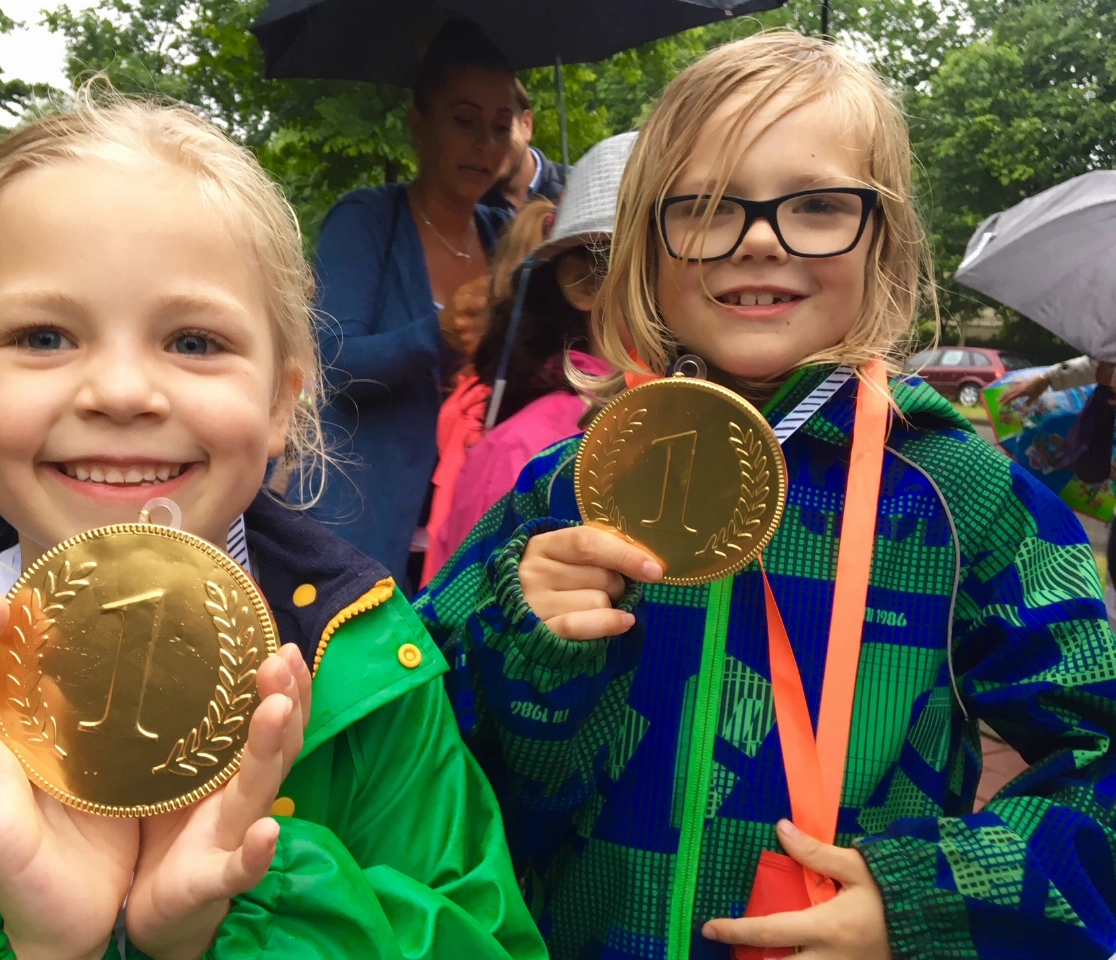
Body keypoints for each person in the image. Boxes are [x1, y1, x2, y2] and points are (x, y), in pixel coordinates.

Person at [416, 31, 1116, 960]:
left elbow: (1099, 757)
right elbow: (417, 747)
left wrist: (934, 902)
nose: (756, 236)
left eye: (820, 205)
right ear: (645, 249)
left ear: (886, 240)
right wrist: (522, 640)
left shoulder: (966, 497)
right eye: (706, 207)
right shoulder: (567, 488)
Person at [0, 89, 547, 960]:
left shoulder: (366, 660)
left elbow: (480, 934)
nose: (124, 393)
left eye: (196, 342)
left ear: (283, 400)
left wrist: (234, 923)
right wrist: (29, 939)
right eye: (46, 336)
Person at [302, 19, 518, 589]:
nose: (484, 146)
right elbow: (333, 363)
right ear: (419, 126)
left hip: (474, 525)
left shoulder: (507, 236)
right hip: (362, 522)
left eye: (501, 127)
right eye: (465, 121)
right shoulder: (367, 219)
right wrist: (437, 332)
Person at [424, 132, 636, 584]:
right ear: (584, 284)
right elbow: (463, 622)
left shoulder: (708, 416)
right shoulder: (525, 451)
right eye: (656, 267)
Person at [480, 80, 568, 214]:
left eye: (501, 127)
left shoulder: (575, 188)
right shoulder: (468, 207)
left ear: (527, 124)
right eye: (471, 127)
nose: (488, 143)